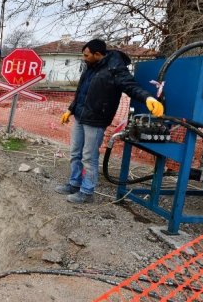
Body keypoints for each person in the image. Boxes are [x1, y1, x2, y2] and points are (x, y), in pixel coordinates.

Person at [56, 39, 164, 203]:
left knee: (88, 157)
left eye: (86, 55)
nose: (84, 58)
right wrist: (70, 109)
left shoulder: (115, 69)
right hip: (80, 116)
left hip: (96, 119)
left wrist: (148, 98)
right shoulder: (90, 68)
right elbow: (81, 92)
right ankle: (74, 183)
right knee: (75, 153)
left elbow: (130, 86)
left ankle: (86, 192)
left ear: (97, 54)